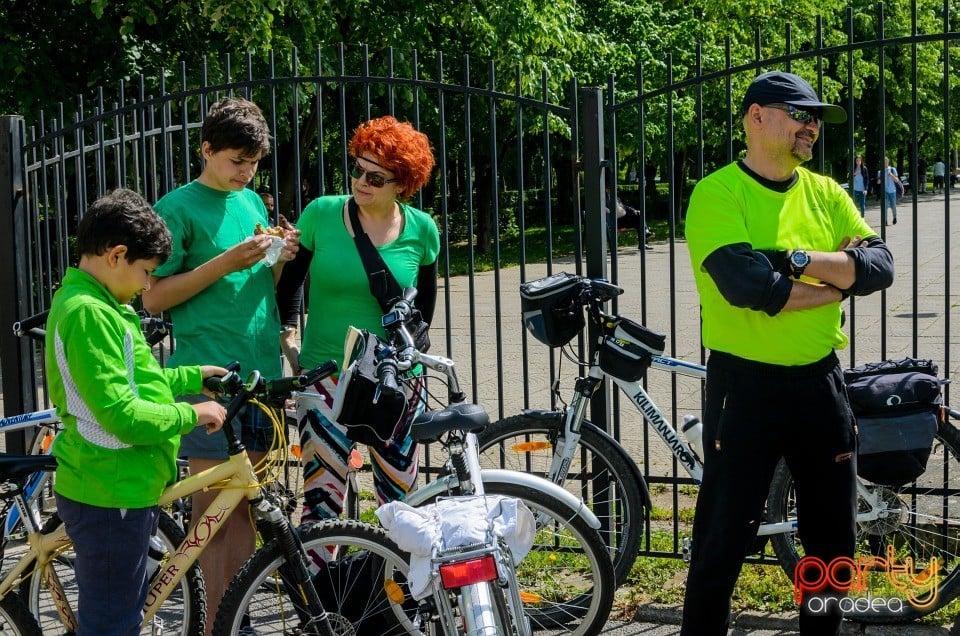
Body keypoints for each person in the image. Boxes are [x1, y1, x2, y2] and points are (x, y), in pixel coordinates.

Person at [680, 71, 894, 636]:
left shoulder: (826, 192)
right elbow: (747, 286)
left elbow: (880, 267)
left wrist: (795, 259)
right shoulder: (718, 192)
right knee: (723, 537)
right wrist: (835, 277)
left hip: (821, 386)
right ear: (755, 117)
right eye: (800, 113)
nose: (812, 126)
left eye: (816, 118)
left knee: (832, 539)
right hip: (743, 389)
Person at [141, 97, 299, 636]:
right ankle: (210, 625)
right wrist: (227, 260)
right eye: (236, 160)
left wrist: (279, 258)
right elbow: (154, 298)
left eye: (253, 162)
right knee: (210, 516)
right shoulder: (177, 207)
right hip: (208, 379)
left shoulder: (251, 201)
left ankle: (235, 619)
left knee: (246, 510)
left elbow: (256, 289)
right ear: (205, 149)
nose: (246, 172)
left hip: (258, 375)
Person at [46, 188, 228, 636]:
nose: (149, 285)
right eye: (146, 271)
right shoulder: (90, 314)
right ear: (116, 254)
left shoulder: (105, 305)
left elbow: (132, 383)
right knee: (112, 626)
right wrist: (192, 415)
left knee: (117, 617)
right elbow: (123, 415)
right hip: (110, 492)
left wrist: (190, 379)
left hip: (118, 486)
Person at [277, 115, 439, 522]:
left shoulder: (422, 229)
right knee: (322, 499)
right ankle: (321, 584)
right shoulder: (321, 214)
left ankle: (394, 584)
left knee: (401, 501)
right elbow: (291, 283)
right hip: (326, 373)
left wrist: (406, 362)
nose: (362, 181)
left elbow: (424, 311)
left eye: (376, 177)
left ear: (402, 183)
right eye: (358, 169)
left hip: (393, 379)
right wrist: (289, 338)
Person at [878, 156, 904, 225]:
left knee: (893, 206)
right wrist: (880, 178)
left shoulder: (892, 169)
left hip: (892, 191)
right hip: (885, 191)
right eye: (883, 162)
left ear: (888, 162)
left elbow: (897, 180)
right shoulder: (880, 172)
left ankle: (894, 217)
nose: (885, 164)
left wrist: (892, 175)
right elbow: (878, 182)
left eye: (886, 162)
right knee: (885, 206)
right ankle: (885, 221)